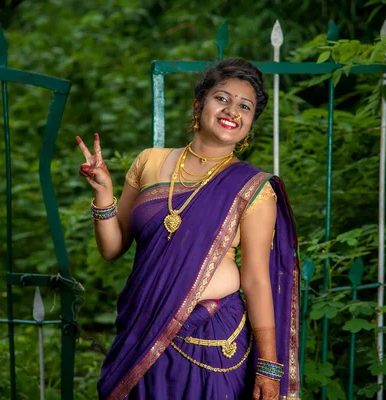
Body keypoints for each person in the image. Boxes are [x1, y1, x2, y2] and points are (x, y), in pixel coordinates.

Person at [76, 58, 300, 400]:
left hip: (212, 338)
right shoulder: (149, 162)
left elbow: (256, 279)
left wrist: (268, 365)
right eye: (222, 98)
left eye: (245, 106)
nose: (232, 111)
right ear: (198, 105)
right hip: (144, 328)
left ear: (250, 125)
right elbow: (112, 247)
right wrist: (104, 192)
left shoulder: (253, 189)